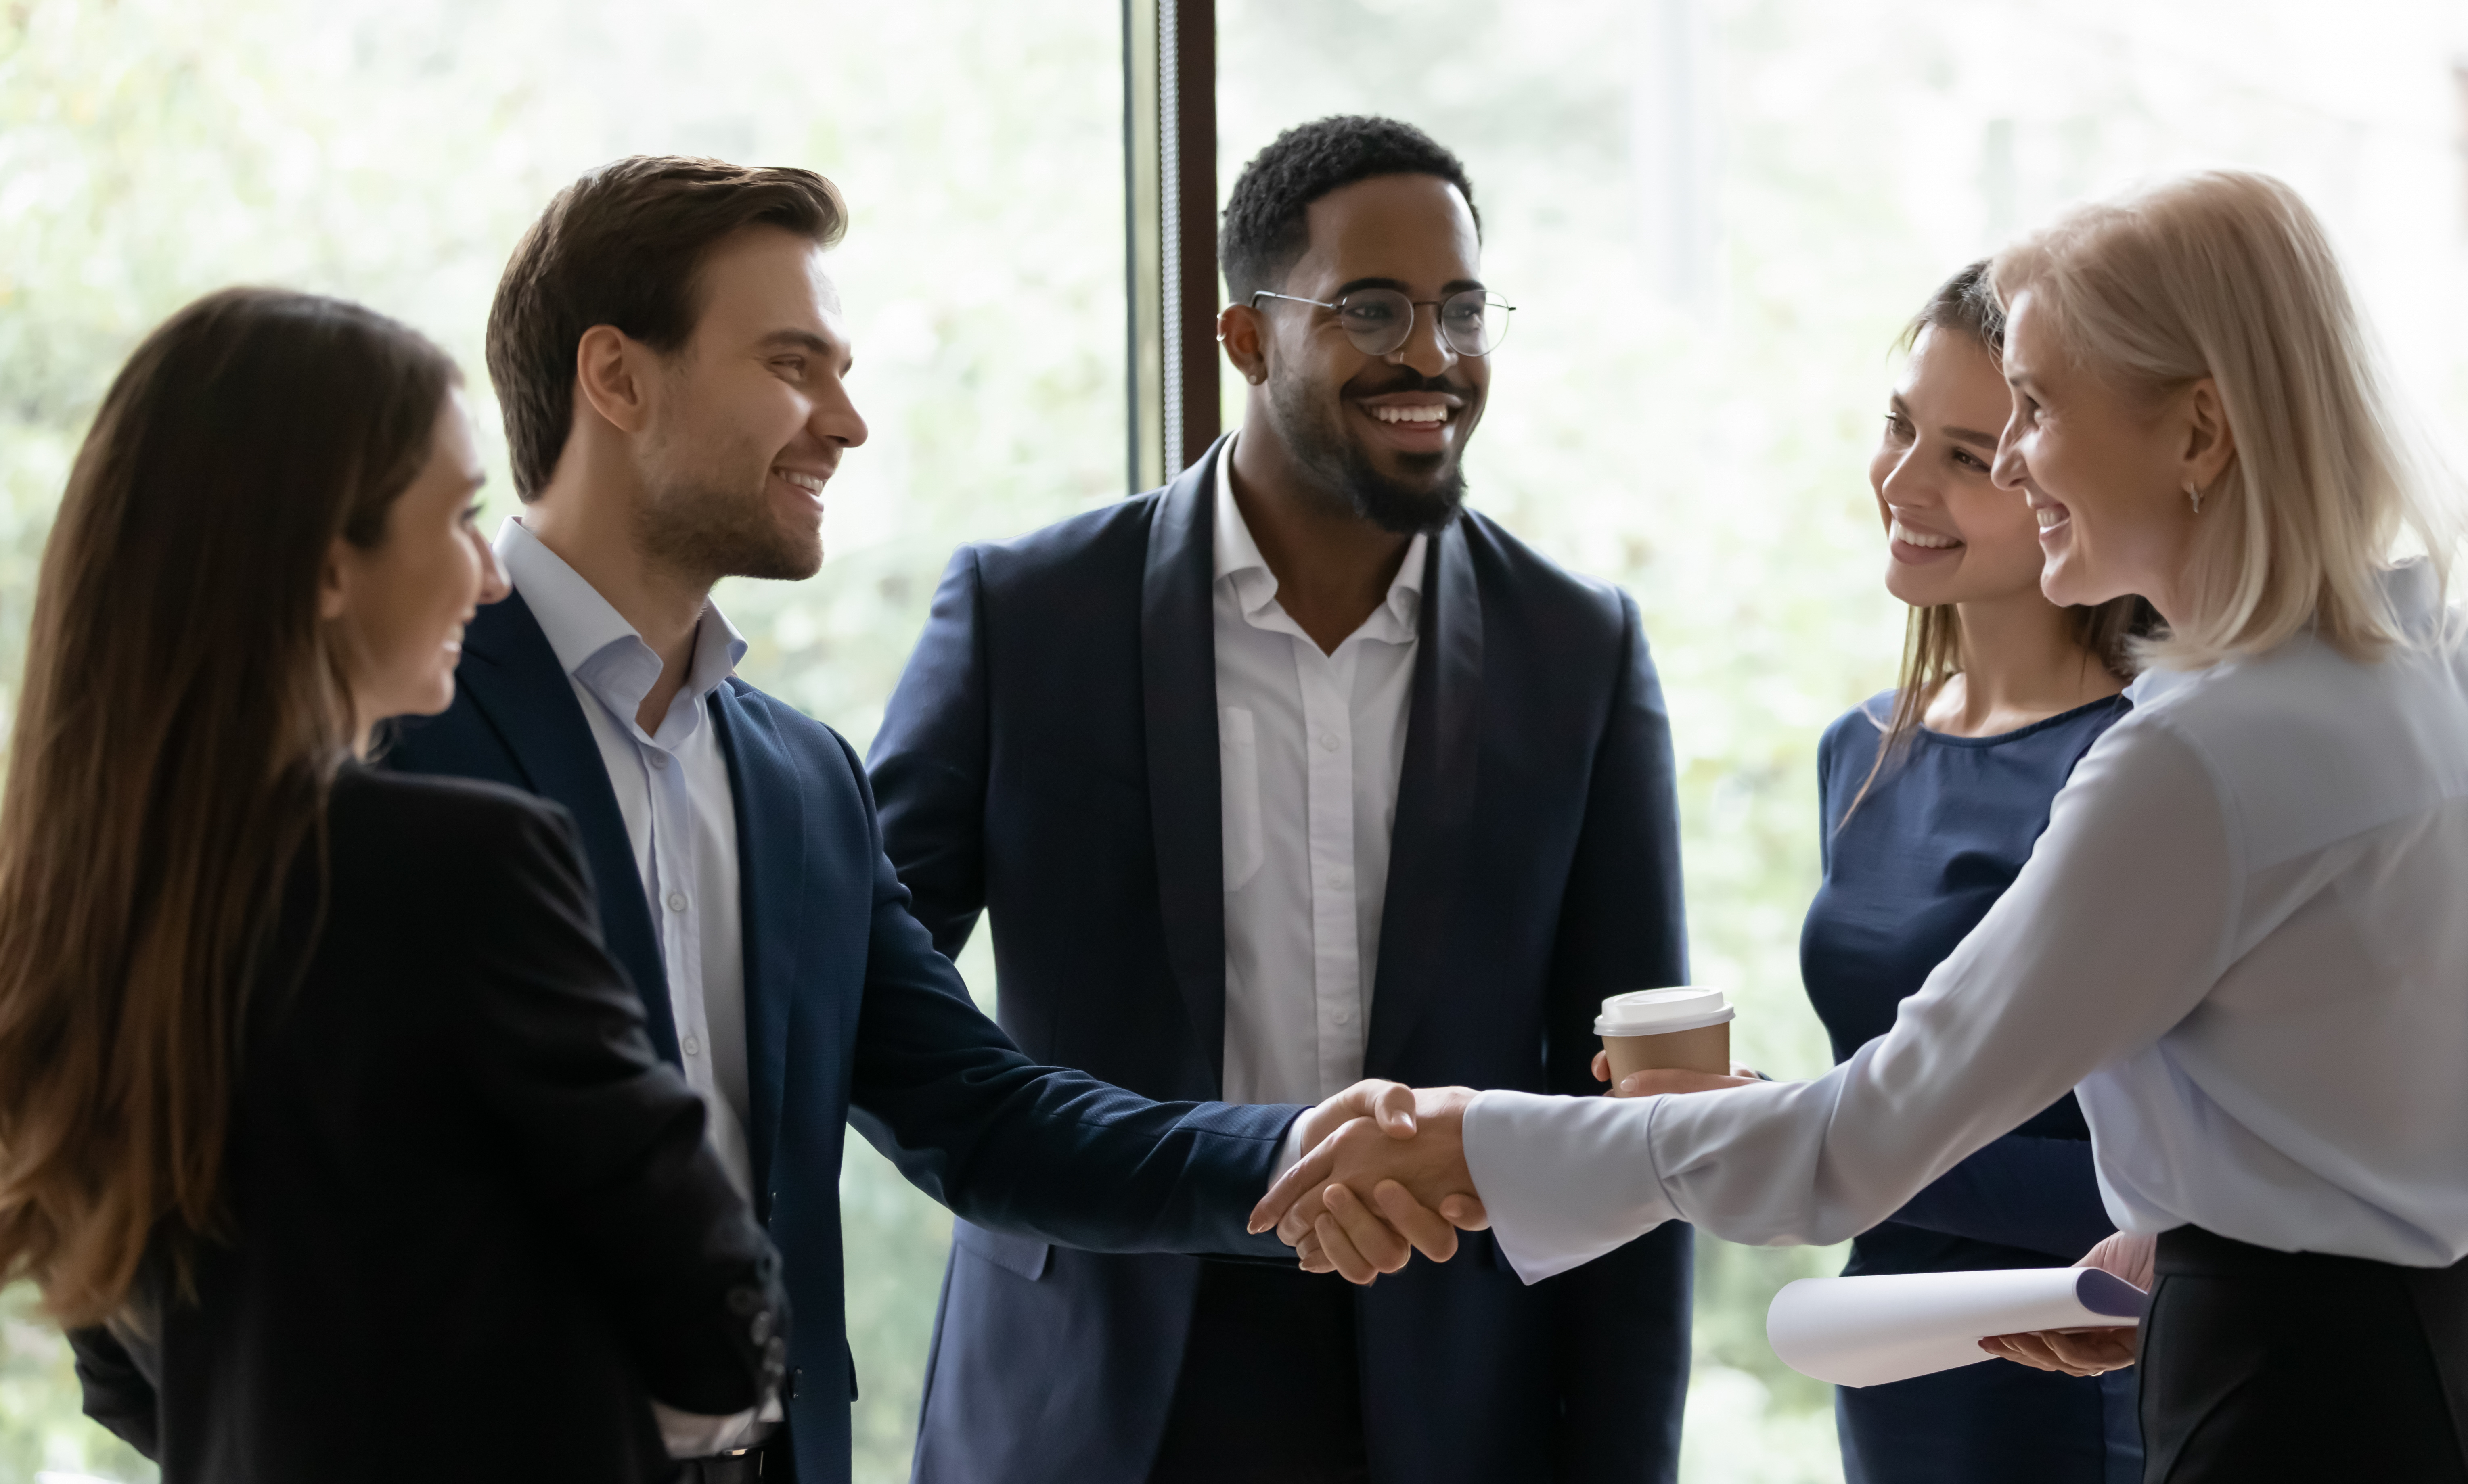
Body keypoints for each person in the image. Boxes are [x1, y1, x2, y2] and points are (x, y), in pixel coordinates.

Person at [1260, 171, 2468, 1483]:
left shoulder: (2194, 756)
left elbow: (1862, 1140)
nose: (2014, 459)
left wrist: (1476, 1141)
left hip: (2291, 1423)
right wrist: (2211, 1250)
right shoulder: (2448, 659)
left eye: (2032, 408)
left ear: (2199, 433)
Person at [384, 156, 1432, 1484]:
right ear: (616, 378)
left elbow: (981, 1115)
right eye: (792, 364)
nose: (847, 421)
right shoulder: (387, 731)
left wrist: (1289, 1147)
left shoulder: (801, 780)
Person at [868, 116, 1692, 1484]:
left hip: (1446, 1398)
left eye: (1461, 309)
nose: (1431, 356)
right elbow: (872, 998)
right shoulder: (1027, 616)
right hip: (1088, 1383)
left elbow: (1631, 1104)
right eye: (1372, 309)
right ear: (1244, 340)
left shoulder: (1577, 650)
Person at [0, 287, 788, 1483]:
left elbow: (119, 1363)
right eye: (461, 518)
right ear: (328, 568)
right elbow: (703, 1281)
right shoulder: (456, 864)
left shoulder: (73, 905)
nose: (488, 576)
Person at [1793, 263, 2148, 1481]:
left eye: (1965, 455)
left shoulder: (2140, 763)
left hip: (2090, 1374)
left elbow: (2167, 1187)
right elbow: (1878, 1090)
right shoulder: (1862, 747)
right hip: (1893, 1364)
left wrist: (1803, 1145)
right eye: (1897, 428)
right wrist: (1795, 1137)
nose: (1900, 484)